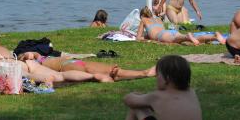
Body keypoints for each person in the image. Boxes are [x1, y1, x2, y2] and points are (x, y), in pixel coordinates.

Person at [0, 30, 111, 84]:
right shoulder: (3, 49)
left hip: (9, 67)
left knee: (48, 78)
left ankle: (93, 78)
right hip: (24, 62)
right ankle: (93, 76)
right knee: (60, 75)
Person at [123, 55, 202, 120]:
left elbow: (129, 100)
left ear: (166, 79)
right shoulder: (191, 93)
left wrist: (135, 94)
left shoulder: (157, 96)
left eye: (157, 75)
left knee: (136, 107)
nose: (156, 78)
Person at [18, 51, 156, 81]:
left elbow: (31, 54)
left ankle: (143, 73)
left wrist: (29, 55)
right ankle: (143, 73)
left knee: (111, 71)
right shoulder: (35, 63)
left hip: (69, 63)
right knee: (108, 72)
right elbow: (28, 58)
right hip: (67, 65)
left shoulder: (38, 59)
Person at [137, 6, 225, 45]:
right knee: (192, 39)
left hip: (162, 36)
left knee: (178, 39)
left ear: (142, 16)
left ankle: (187, 36)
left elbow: (138, 38)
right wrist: (148, 36)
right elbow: (157, 30)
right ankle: (214, 37)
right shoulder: (158, 19)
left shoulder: (143, 20)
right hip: (169, 31)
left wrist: (145, 38)